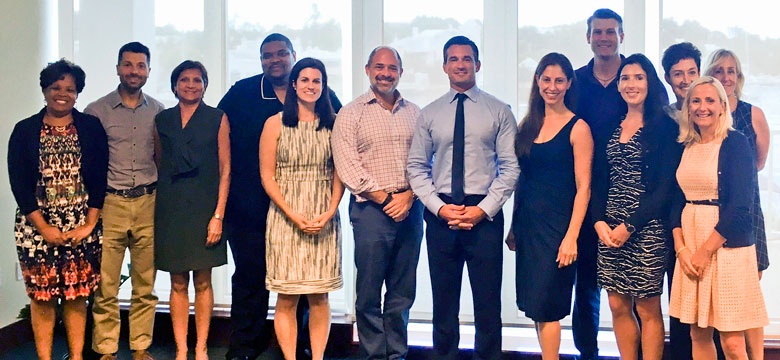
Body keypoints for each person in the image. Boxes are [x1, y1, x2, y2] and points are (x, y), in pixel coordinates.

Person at [216, 33, 342, 360]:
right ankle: (245, 347)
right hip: (249, 208)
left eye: (281, 53)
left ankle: (301, 347)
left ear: (293, 56)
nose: (275, 60)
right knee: (250, 278)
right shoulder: (242, 93)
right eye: (267, 55)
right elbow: (217, 129)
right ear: (261, 60)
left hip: (310, 208)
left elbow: (342, 143)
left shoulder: (324, 98)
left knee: (305, 284)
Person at [407, 35, 520, 359]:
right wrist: (439, 208)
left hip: (484, 215)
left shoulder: (499, 111)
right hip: (441, 214)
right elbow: (416, 167)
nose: (460, 64)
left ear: (477, 64)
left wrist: (482, 210)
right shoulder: (429, 114)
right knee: (443, 301)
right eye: (454, 59)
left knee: (488, 302)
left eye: (467, 58)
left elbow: (510, 167)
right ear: (444, 66)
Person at [8, 59, 108, 360]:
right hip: (36, 228)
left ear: (78, 93)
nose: (62, 94)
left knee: (77, 296)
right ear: (44, 90)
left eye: (70, 89)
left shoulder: (90, 127)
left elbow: (99, 178)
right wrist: (44, 228)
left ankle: (76, 357)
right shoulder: (24, 130)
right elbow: (19, 185)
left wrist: (89, 225)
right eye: (55, 87)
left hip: (82, 226)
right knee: (42, 298)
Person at [331, 46, 424, 360]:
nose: (386, 73)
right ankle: (373, 354)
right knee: (369, 292)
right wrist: (387, 200)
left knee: (402, 290)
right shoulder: (351, 113)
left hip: (411, 208)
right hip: (371, 210)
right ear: (368, 70)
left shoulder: (415, 113)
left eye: (392, 68)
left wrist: (409, 196)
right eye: (379, 67)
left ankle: (396, 354)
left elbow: (428, 160)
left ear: (401, 72)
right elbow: (348, 167)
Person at [669, 76, 769, 360]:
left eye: (710, 100)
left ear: (723, 106)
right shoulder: (685, 144)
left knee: (733, 342)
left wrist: (704, 251)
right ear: (688, 108)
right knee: (698, 333)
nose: (702, 107)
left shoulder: (736, 143)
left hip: (726, 249)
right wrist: (681, 248)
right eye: (696, 101)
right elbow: (675, 201)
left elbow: (739, 206)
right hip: (690, 246)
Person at [591, 54, 680, 360]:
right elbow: (599, 179)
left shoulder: (666, 127)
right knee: (617, 303)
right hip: (609, 229)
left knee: (647, 306)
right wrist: (599, 222)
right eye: (625, 78)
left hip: (647, 227)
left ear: (650, 83)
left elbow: (665, 187)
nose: (631, 84)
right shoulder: (609, 126)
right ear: (618, 85)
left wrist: (630, 226)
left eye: (639, 78)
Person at [506, 52, 593, 359]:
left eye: (559, 80)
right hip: (529, 227)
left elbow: (584, 188)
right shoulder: (528, 124)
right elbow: (522, 180)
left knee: (549, 306)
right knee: (535, 306)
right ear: (537, 81)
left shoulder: (578, 127)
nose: (552, 87)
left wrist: (571, 237)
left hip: (558, 229)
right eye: (546, 79)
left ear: (569, 83)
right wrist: (514, 227)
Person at [259, 57, 344, 360]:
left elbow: (339, 173)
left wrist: (330, 211)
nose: (311, 86)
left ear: (324, 86)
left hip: (323, 216)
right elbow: (267, 176)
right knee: (287, 297)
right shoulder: (275, 123)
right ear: (294, 84)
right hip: (285, 217)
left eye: (317, 81)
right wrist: (292, 213)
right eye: (305, 80)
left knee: (320, 296)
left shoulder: (335, 124)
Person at [84, 41, 164, 360]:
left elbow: (161, 157)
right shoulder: (96, 111)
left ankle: (141, 346)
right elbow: (89, 162)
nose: (134, 71)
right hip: (111, 204)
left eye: (140, 65)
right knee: (107, 285)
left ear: (148, 70)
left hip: (147, 202)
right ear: (118, 68)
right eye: (128, 64)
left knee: (145, 284)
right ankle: (106, 349)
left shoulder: (158, 111)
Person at [154, 60, 231, 360]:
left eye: (197, 80)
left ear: (205, 85)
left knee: (202, 280)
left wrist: (218, 215)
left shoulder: (217, 118)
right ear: (174, 85)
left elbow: (225, 169)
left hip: (205, 207)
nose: (190, 85)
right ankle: (181, 348)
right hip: (171, 207)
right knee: (177, 282)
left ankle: (201, 347)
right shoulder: (162, 120)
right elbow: (159, 161)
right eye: (184, 79)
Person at [705, 49, 770, 360]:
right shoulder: (704, 115)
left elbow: (758, 163)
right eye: (719, 71)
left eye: (731, 71)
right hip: (711, 216)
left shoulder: (752, 114)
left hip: (746, 210)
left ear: (739, 77)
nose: (726, 77)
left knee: (749, 295)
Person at [573, 9, 626, 359]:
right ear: (588, 37)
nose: (604, 37)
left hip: (629, 195)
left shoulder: (636, 76)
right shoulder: (575, 82)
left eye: (610, 31)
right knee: (587, 285)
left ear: (621, 36)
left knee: (633, 290)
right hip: (586, 193)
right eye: (598, 32)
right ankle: (587, 353)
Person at [659, 41, 702, 360]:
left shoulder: (710, 115)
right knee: (678, 301)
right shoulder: (663, 119)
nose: (685, 80)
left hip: (705, 220)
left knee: (707, 307)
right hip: (669, 218)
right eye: (678, 74)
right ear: (668, 78)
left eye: (691, 72)